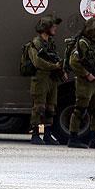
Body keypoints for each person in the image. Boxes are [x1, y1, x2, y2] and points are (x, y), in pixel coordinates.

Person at [68, 18, 95, 150]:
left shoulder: (93, 44)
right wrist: (87, 74)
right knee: (80, 109)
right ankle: (73, 138)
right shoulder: (82, 43)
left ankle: (94, 139)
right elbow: (73, 62)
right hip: (84, 82)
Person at [27, 15, 64, 145]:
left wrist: (61, 69)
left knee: (50, 107)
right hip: (41, 79)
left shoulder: (50, 43)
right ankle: (35, 134)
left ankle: (47, 134)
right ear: (46, 28)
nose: (55, 29)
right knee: (39, 107)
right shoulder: (36, 43)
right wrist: (55, 67)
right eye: (53, 26)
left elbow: (55, 58)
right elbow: (37, 62)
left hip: (51, 79)